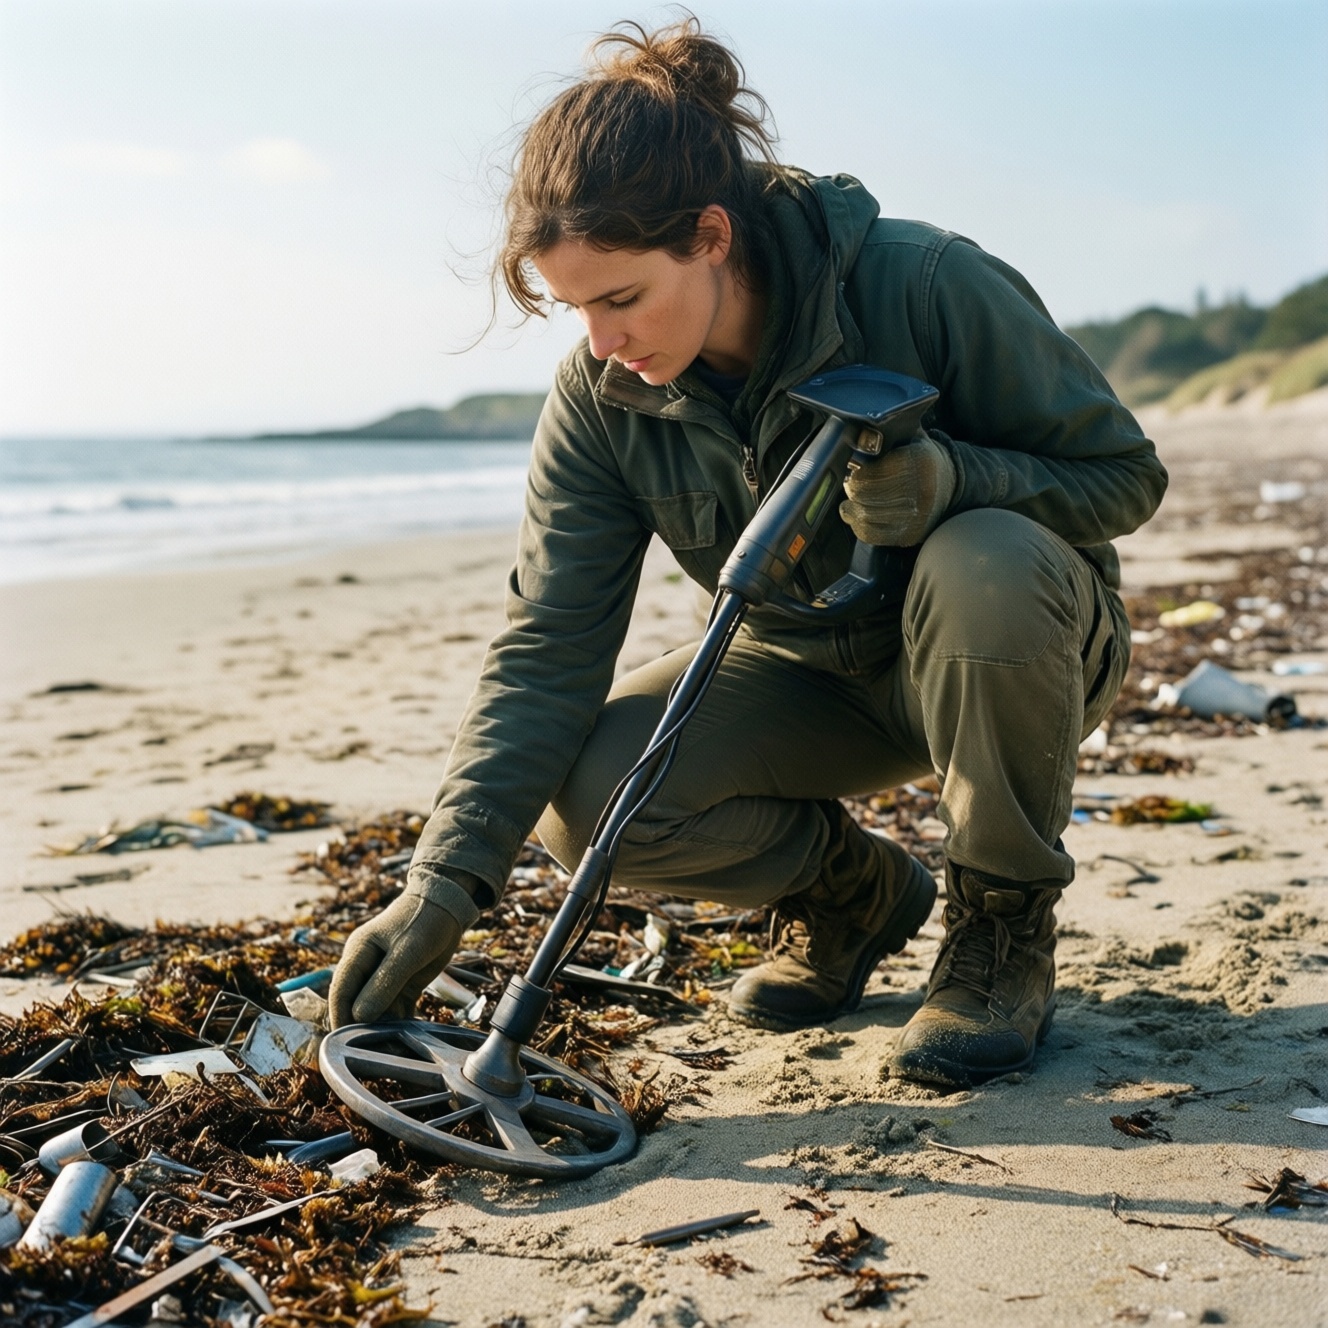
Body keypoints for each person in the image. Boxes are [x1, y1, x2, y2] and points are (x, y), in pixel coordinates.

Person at [328, 17, 1166, 1089]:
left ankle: (998, 932)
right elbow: (547, 639)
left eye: (621, 297)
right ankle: (848, 894)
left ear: (711, 236)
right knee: (589, 797)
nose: (601, 341)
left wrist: (959, 480)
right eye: (574, 307)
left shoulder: (923, 281)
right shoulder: (600, 397)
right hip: (812, 673)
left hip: (1016, 649)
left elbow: (1123, 478)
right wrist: (445, 877)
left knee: (981, 559)